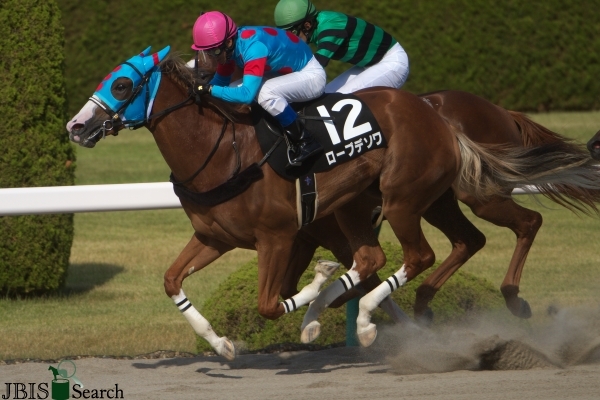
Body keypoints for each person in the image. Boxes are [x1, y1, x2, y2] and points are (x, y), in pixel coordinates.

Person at [191, 11, 326, 166]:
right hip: (290, 73)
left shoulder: (253, 47)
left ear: (228, 43)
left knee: (265, 93)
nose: (212, 57)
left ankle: (305, 140)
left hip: (311, 76)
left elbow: (246, 95)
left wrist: (209, 90)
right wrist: (202, 93)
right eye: (206, 52)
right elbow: (221, 81)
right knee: (230, 90)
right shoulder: (230, 46)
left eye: (214, 52)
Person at [274, 0, 409, 94]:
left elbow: (316, 65)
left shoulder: (331, 27)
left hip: (392, 62)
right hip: (370, 63)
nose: (289, 39)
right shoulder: (318, 24)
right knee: (327, 95)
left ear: (307, 25)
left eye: (291, 33)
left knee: (340, 100)